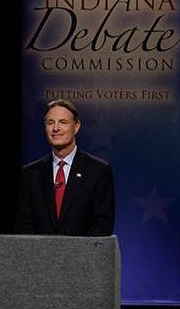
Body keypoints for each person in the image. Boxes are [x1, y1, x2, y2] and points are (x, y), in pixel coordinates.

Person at [14, 99, 115, 236]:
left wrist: (70, 252)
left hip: (82, 255)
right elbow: (23, 224)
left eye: (63, 122)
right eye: (50, 123)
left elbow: (103, 224)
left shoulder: (98, 171)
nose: (56, 128)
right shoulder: (30, 173)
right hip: (40, 255)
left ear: (76, 126)